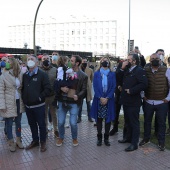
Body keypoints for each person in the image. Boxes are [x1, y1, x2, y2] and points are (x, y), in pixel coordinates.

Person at [139, 53, 170, 151]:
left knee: (161, 123)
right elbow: (142, 84)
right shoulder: (145, 70)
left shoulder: (167, 70)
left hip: (162, 102)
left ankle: (161, 142)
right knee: (147, 121)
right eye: (152, 59)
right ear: (150, 60)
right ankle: (146, 138)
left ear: (160, 60)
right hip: (148, 102)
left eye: (157, 58)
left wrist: (168, 98)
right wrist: (143, 95)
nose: (155, 60)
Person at [117, 53, 148, 152]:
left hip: (134, 101)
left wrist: (132, 90)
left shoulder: (139, 70)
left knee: (134, 122)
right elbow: (118, 77)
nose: (127, 61)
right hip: (125, 100)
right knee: (127, 120)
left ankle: (134, 144)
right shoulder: (126, 69)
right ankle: (127, 138)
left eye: (129, 60)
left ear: (134, 61)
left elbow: (143, 84)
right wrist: (122, 68)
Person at [56, 55, 87, 147]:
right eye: (69, 60)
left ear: (77, 63)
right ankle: (61, 137)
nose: (70, 62)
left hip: (74, 102)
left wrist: (78, 95)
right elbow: (57, 83)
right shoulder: (64, 71)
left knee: (73, 123)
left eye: (72, 61)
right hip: (62, 100)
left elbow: (84, 89)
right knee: (61, 122)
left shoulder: (83, 75)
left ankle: (74, 138)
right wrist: (61, 88)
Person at [22, 55, 51, 152]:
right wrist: (24, 99)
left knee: (41, 124)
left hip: (39, 105)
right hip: (28, 106)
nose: (30, 61)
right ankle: (35, 140)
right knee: (32, 124)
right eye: (28, 59)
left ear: (37, 63)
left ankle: (43, 142)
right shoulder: (25, 75)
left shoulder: (42, 74)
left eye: (32, 59)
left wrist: (39, 97)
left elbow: (48, 89)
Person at [0, 58, 25, 152]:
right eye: (5, 62)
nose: (6, 63)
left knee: (18, 122)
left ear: (13, 63)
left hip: (19, 101)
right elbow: (1, 91)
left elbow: (22, 88)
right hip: (8, 102)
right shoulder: (3, 76)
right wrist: (2, 105)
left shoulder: (20, 74)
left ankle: (19, 140)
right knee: (9, 123)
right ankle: (11, 142)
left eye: (8, 62)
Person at [90, 57, 116, 146]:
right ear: (100, 63)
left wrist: (107, 98)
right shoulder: (97, 74)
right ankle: (99, 138)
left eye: (107, 61)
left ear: (109, 63)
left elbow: (113, 87)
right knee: (99, 119)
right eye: (103, 61)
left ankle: (106, 138)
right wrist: (100, 97)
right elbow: (95, 87)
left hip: (109, 100)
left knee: (108, 120)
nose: (105, 62)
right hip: (99, 99)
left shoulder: (112, 74)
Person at [40, 54, 59, 138]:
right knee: (44, 114)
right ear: (41, 60)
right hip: (43, 96)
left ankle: (56, 129)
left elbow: (57, 81)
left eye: (47, 58)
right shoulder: (39, 70)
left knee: (54, 113)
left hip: (52, 96)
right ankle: (45, 130)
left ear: (50, 60)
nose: (46, 60)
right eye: (44, 59)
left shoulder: (55, 69)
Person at [77, 58, 94, 123]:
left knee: (88, 104)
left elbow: (91, 78)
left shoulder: (90, 70)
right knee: (80, 104)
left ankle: (90, 117)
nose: (85, 62)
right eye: (83, 61)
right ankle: (79, 117)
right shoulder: (78, 69)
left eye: (86, 61)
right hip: (81, 89)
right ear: (81, 62)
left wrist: (89, 84)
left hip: (87, 89)